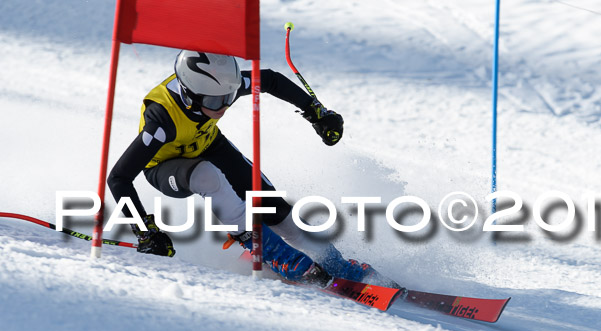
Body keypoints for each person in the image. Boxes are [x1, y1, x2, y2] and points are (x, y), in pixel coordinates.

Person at [108, 50, 394, 287]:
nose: (223, 106)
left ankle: (334, 261)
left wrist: (316, 112)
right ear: (189, 95)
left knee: (269, 203)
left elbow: (269, 80)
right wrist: (144, 231)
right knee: (207, 175)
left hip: (206, 143)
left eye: (229, 98)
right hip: (166, 167)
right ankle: (268, 249)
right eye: (214, 102)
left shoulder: (219, 86)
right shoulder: (162, 121)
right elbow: (119, 178)